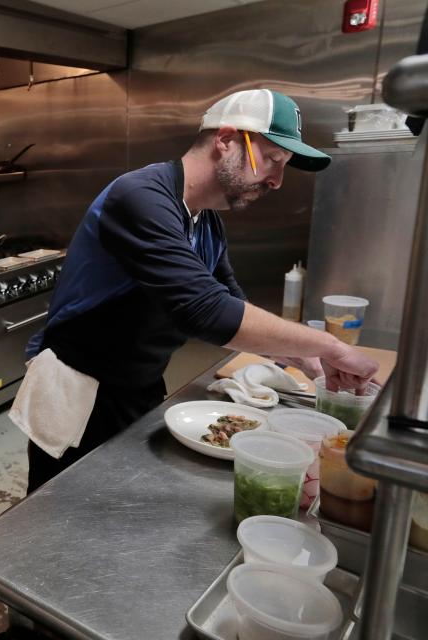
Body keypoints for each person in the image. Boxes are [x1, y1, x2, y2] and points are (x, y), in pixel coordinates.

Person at [23, 89, 379, 493]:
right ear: (226, 140)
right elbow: (204, 310)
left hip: (139, 384)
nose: (278, 181)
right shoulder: (140, 196)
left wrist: (305, 356)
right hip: (78, 392)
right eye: (273, 160)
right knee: (60, 507)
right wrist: (329, 345)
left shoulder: (206, 223)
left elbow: (231, 303)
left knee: (119, 504)